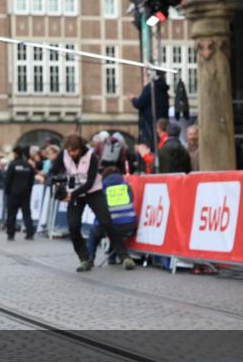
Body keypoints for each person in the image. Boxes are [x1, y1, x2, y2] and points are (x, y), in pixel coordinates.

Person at [61, 135, 122, 272]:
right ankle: (85, 258)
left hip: (93, 191)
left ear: (80, 148)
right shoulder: (65, 154)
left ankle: (124, 255)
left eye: (74, 151)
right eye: (69, 151)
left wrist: (72, 194)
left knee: (106, 220)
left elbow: (89, 182)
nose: (71, 154)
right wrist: (57, 183)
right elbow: (56, 169)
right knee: (73, 226)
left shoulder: (91, 156)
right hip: (75, 193)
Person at [86, 167, 138, 269]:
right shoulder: (126, 186)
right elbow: (131, 200)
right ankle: (114, 258)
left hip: (112, 226)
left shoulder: (101, 187)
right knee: (113, 229)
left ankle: (89, 259)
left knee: (95, 231)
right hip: (130, 225)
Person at [129, 72, 169, 151]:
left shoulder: (149, 88)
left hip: (149, 125)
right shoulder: (163, 89)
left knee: (149, 149)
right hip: (161, 122)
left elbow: (139, 103)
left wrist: (133, 99)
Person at [3, 146, 36, 241]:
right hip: (25, 194)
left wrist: (7, 191)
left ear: (15, 154)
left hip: (13, 194)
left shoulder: (12, 165)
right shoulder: (28, 165)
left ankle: (11, 234)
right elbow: (31, 179)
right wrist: (28, 191)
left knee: (11, 214)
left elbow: (7, 179)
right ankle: (30, 233)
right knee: (27, 214)